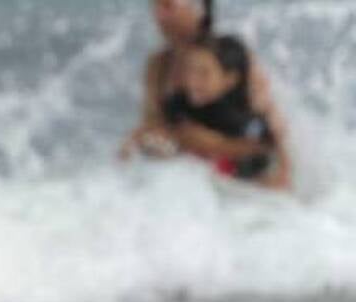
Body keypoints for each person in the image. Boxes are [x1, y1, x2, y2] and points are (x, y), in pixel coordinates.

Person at [120, 0, 291, 188]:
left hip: (242, 176)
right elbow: (152, 123)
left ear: (198, 9)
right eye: (155, 6)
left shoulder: (229, 58)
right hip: (195, 177)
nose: (158, 16)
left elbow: (273, 134)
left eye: (167, 5)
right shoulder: (159, 65)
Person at [164, 35, 282, 185]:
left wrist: (218, 145)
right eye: (190, 71)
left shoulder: (245, 119)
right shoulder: (178, 103)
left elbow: (267, 156)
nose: (192, 81)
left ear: (229, 79)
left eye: (203, 73)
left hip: (242, 194)